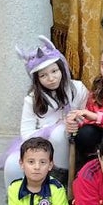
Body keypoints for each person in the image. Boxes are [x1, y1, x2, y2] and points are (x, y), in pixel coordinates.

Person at [13, 35, 89, 183]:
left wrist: (73, 123)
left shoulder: (77, 89)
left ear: (62, 68)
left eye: (54, 71)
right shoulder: (32, 99)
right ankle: (17, 201)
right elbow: (26, 133)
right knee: (11, 165)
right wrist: (49, 129)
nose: (51, 78)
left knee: (59, 133)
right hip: (39, 145)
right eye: (43, 75)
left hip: (73, 144)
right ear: (36, 79)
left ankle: (59, 181)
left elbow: (87, 116)